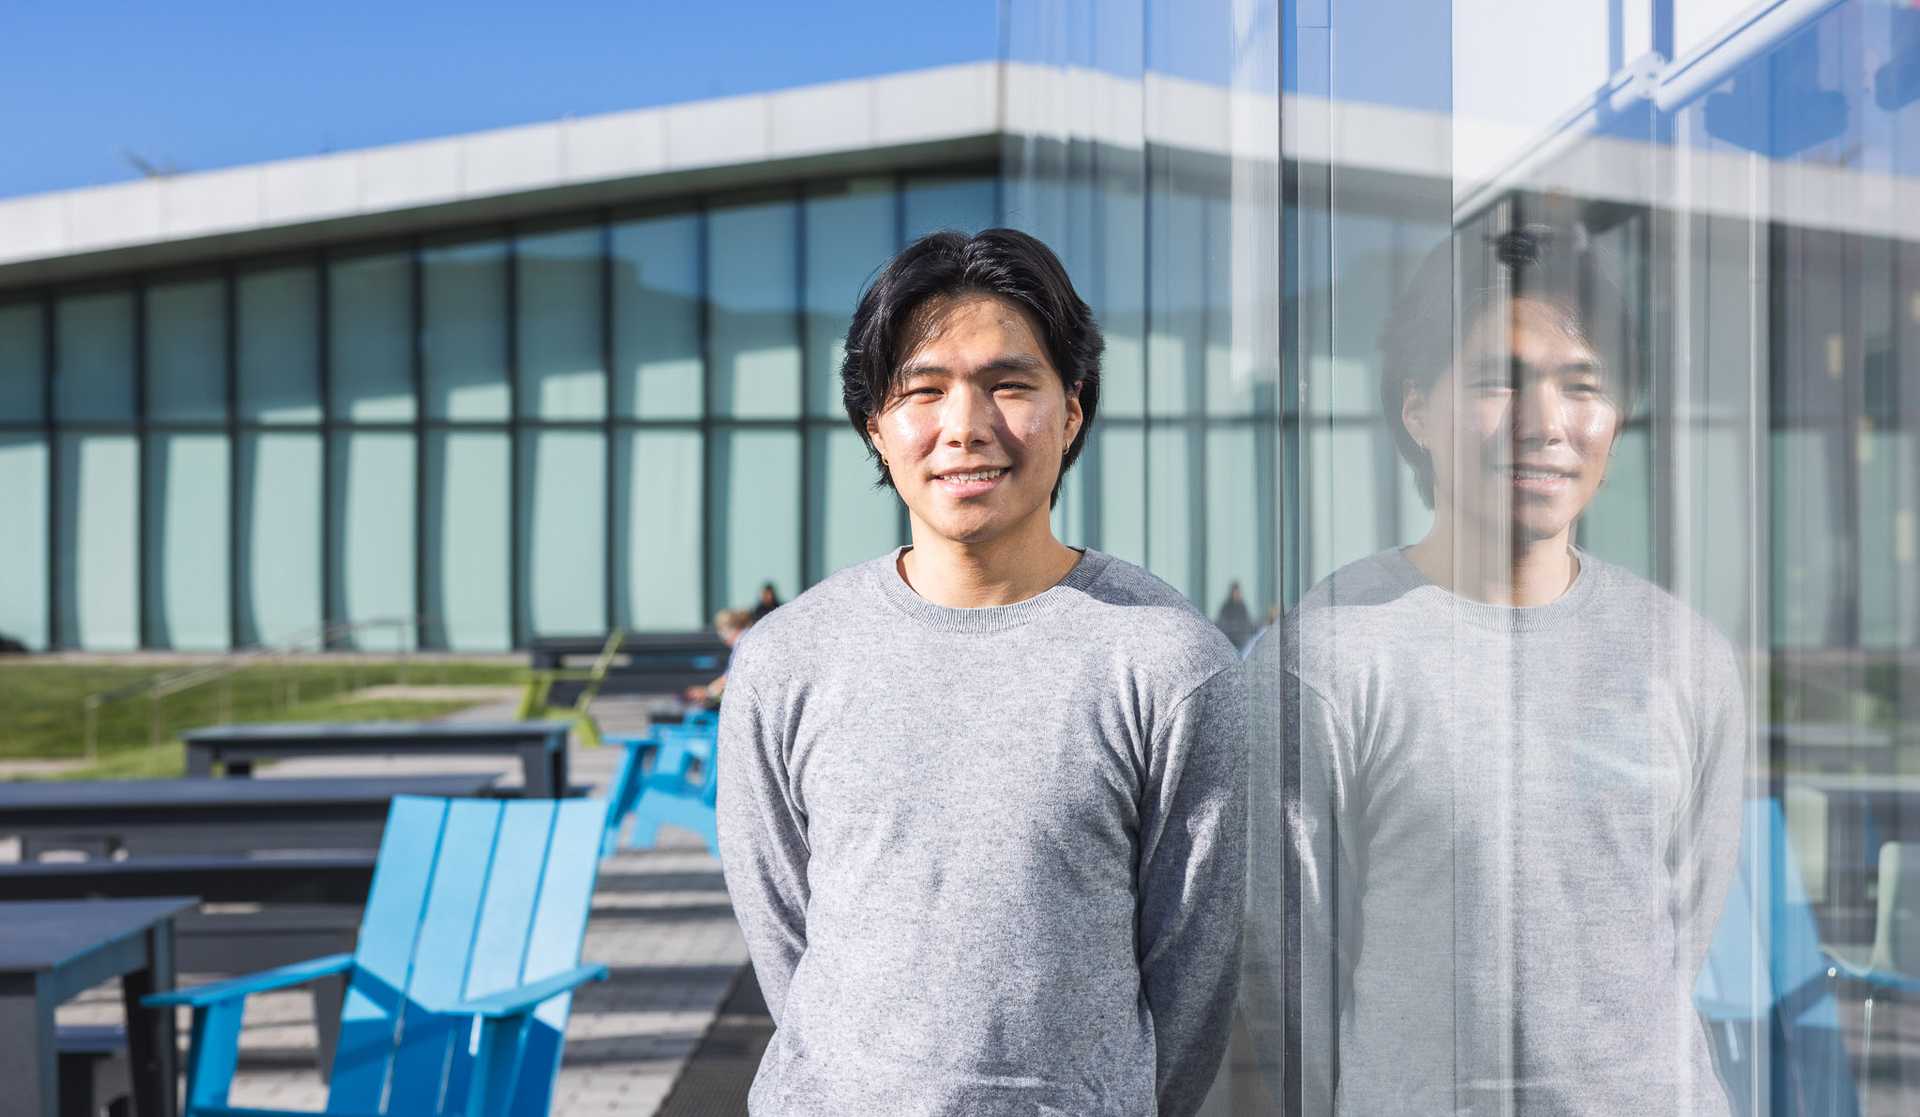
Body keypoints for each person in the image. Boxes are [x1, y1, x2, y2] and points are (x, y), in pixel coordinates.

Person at [718, 228, 1247, 1116]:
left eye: (1009, 384)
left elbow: (1195, 973)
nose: (965, 427)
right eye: (923, 390)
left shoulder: (1167, 660)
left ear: (1072, 409)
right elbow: (786, 945)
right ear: (875, 425)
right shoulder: (786, 659)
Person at [1242, 220, 1747, 1115]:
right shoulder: (1324, 657)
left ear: (1616, 419)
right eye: (1495, 382)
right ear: (1417, 410)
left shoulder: (1685, 654)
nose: (1545, 424)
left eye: (1581, 386)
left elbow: (1683, 928)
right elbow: (1292, 972)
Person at [684, 607, 753, 708]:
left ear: (727, 630)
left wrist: (706, 692)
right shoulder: (749, 637)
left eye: (720, 631)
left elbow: (729, 679)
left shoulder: (741, 643)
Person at [1214, 580, 1255, 651]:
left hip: (1241, 642)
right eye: (1235, 592)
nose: (1237, 594)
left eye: (1238, 592)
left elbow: (1247, 622)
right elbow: (1221, 623)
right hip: (1229, 641)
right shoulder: (1226, 606)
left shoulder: (1242, 607)